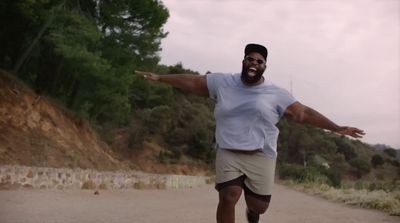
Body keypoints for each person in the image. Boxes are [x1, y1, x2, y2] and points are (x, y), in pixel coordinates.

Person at [136, 43, 365, 223]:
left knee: (259, 206)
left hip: (261, 153)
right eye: (250, 59)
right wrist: (160, 78)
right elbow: (193, 82)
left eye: (260, 61)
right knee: (229, 196)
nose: (254, 63)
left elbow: (303, 113)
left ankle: (252, 213)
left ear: (265, 66)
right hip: (228, 151)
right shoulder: (223, 82)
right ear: (243, 61)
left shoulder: (275, 93)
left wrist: (336, 127)